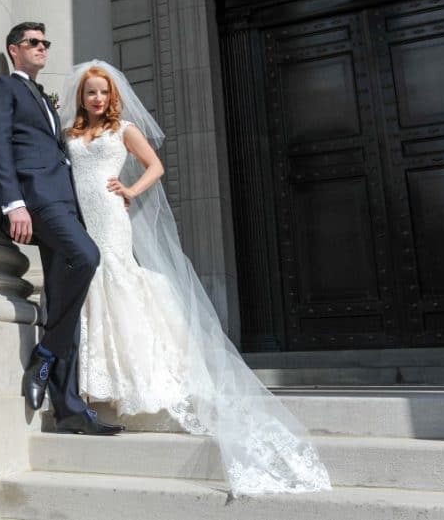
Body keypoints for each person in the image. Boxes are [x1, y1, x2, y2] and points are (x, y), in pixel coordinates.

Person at [59, 60, 332, 495]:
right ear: (82, 97)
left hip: (110, 216)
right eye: (90, 92)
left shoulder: (123, 129)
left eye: (102, 93)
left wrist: (129, 191)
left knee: (115, 278)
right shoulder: (71, 134)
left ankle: (125, 381)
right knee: (91, 286)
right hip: (79, 217)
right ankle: (94, 380)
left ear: (112, 96)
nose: (97, 98)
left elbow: (155, 167)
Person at [0, 23, 123, 435]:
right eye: (33, 43)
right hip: (37, 200)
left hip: (67, 200)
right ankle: (44, 353)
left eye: (45, 43)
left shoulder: (43, 97)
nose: (42, 48)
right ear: (14, 50)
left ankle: (70, 409)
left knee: (66, 304)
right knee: (87, 256)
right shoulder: (3, 88)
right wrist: (13, 203)